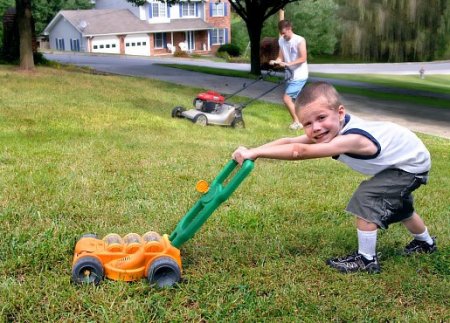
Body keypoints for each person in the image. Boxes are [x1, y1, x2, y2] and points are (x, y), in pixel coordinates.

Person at [232, 82, 437, 274]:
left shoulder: (352, 138)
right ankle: (425, 243)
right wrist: (253, 150)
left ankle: (366, 260)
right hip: (404, 161)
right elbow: (289, 140)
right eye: (307, 123)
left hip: (409, 165)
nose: (316, 128)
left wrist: (256, 154)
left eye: (321, 118)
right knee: (402, 208)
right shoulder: (334, 128)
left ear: (340, 113)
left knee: (368, 197)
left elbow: (298, 151)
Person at [270, 20, 309, 131]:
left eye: (284, 33)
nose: (283, 36)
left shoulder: (300, 40)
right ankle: (307, 119)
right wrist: (276, 61)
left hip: (299, 75)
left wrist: (288, 64)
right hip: (289, 75)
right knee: (298, 101)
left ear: (289, 29)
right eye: (281, 33)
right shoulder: (281, 40)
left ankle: (297, 122)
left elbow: (303, 58)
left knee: (287, 99)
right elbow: (281, 56)